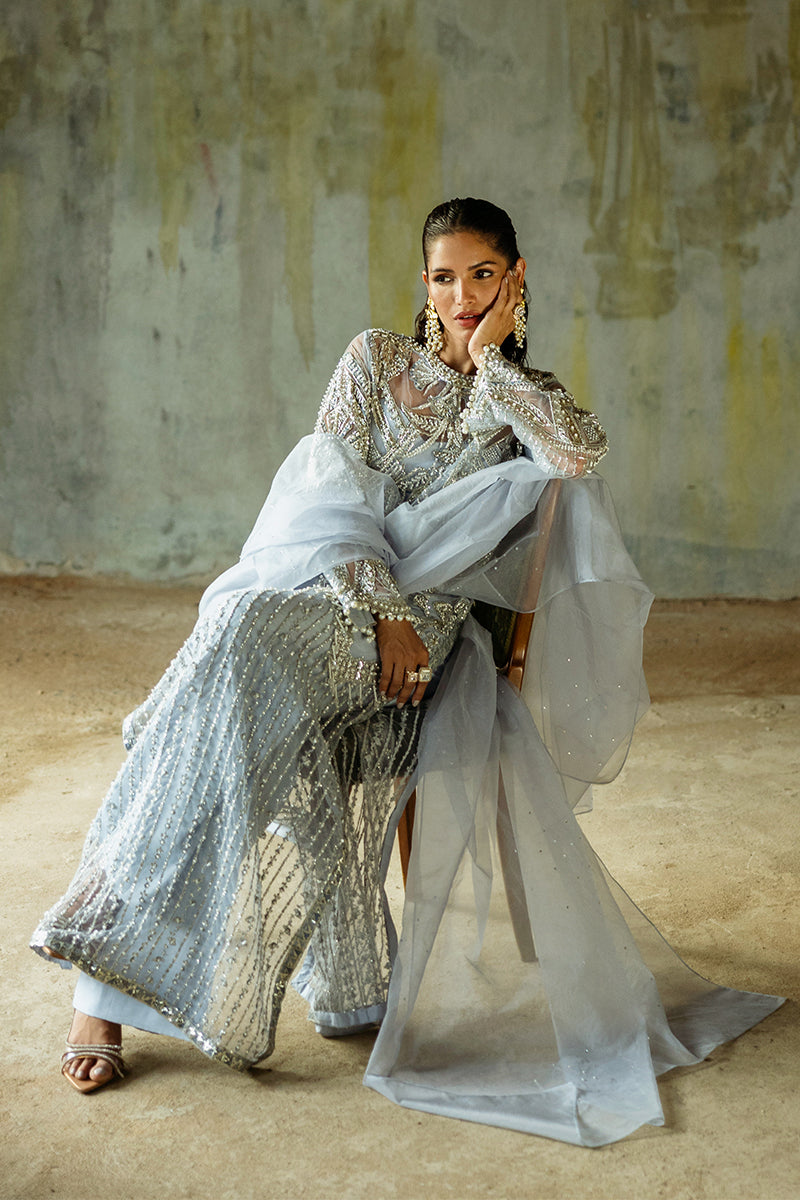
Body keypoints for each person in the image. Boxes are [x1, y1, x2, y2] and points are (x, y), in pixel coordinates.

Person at [32, 198, 782, 1146]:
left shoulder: (528, 399)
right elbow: (323, 498)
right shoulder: (375, 360)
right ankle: (114, 974)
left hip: (429, 648)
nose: (461, 295)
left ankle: (103, 952)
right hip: (338, 598)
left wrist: (493, 363)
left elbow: (576, 455)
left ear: (515, 277)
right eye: (443, 277)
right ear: (422, 283)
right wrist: (380, 610)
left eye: (482, 275)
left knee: (227, 684)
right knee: (238, 656)